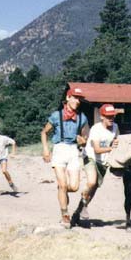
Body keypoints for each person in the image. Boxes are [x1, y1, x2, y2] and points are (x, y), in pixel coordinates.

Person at [41, 86, 89, 227]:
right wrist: (46, 150)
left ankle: (61, 190)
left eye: (79, 99)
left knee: (74, 187)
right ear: (68, 98)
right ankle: (65, 215)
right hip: (59, 149)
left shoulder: (82, 117)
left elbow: (84, 137)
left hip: (73, 151)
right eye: (75, 98)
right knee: (63, 184)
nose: (78, 101)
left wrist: (83, 141)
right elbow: (44, 132)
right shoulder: (57, 115)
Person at [73, 104, 119, 225]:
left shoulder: (115, 127)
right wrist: (111, 148)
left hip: (104, 162)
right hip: (91, 157)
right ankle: (83, 202)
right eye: (108, 116)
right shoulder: (96, 129)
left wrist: (116, 144)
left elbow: (116, 140)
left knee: (93, 189)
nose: (111, 119)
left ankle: (79, 211)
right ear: (102, 117)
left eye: (112, 116)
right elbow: (97, 149)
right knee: (91, 182)